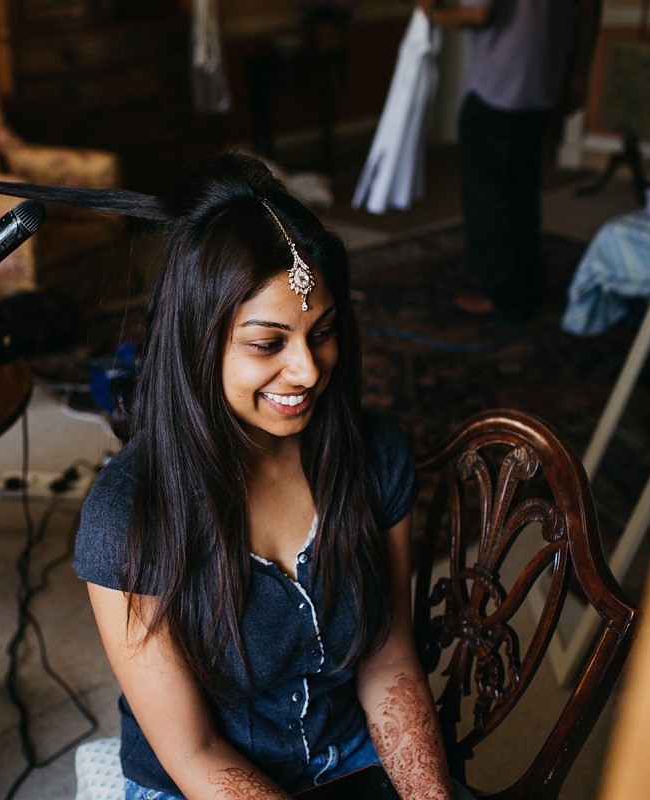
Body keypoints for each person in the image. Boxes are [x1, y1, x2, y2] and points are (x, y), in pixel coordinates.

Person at [72, 153, 462, 800]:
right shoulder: (127, 515)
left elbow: (389, 661)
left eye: (324, 332)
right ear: (200, 340)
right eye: (268, 343)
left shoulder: (374, 455)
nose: (308, 371)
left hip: (348, 755)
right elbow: (193, 751)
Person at [418, 0, 599, 321]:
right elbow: (589, 11)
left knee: (487, 198)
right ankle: (529, 285)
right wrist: (578, 73)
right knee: (523, 190)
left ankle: (504, 295)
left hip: (498, 89)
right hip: (545, 82)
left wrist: (430, 12)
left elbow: (479, 13)